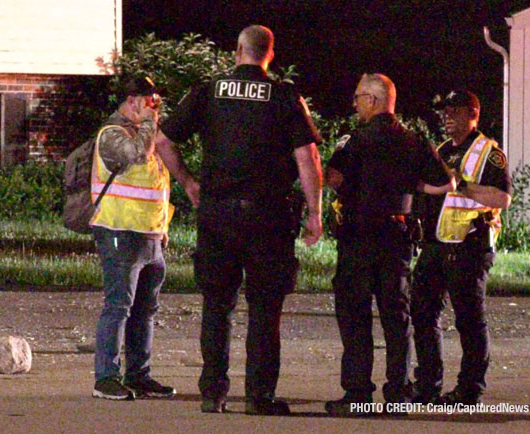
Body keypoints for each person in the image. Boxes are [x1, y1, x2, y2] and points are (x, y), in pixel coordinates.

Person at [154, 25, 323, 416]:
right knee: (266, 309)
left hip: (218, 213)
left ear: (237, 51)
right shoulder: (284, 95)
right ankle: (259, 396)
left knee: (217, 304)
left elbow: (163, 140)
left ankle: (213, 393)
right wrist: (314, 212)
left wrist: (190, 185)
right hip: (269, 217)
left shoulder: (209, 91)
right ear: (270, 55)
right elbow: (307, 158)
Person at [324, 73, 454, 417]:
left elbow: (332, 179)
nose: (354, 104)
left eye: (357, 98)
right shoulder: (414, 140)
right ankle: (398, 394)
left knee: (355, 316)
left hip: (357, 236)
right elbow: (444, 183)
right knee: (396, 319)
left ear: (373, 100)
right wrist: (410, 187)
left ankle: (357, 395)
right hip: (396, 237)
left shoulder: (353, 140)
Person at [411, 90, 512, 405]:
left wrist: (463, 184)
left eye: (454, 110)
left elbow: (503, 199)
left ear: (474, 114)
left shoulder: (489, 153)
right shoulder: (440, 150)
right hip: (436, 245)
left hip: (470, 245)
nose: (447, 116)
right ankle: (428, 385)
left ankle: (469, 390)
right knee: (423, 314)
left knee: (468, 320)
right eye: (444, 111)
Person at [90, 76, 177, 401]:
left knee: (145, 310)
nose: (156, 109)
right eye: (150, 102)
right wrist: (150, 123)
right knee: (118, 307)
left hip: (150, 237)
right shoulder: (111, 135)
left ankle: (139, 375)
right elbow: (138, 156)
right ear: (132, 100)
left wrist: (162, 230)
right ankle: (106, 379)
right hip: (119, 232)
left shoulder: (145, 135)